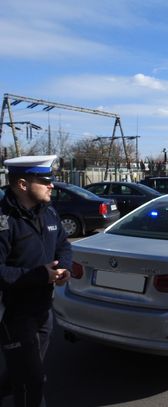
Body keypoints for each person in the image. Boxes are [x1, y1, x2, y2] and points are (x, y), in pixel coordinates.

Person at [0, 155, 72, 407]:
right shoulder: (4, 220)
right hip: (14, 313)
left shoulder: (48, 211)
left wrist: (63, 268)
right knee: (33, 381)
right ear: (22, 184)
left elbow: (63, 245)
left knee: (25, 371)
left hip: (43, 309)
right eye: (45, 181)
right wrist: (41, 275)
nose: (51, 185)